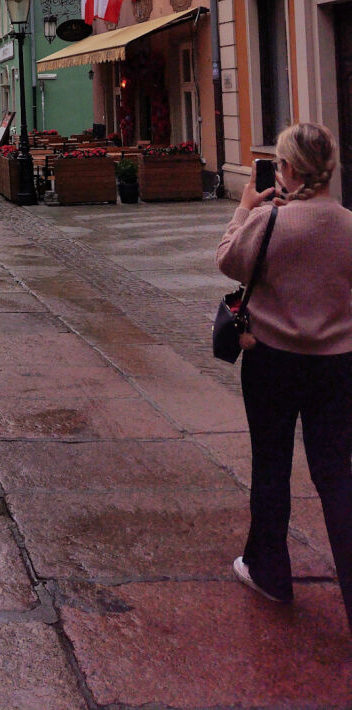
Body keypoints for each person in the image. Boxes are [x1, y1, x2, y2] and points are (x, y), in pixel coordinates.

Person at [215, 122, 352, 631]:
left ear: (287, 170)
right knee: (338, 476)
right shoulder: (348, 225)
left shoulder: (272, 222)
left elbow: (229, 260)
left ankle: (270, 572)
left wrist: (245, 208)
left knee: (271, 465)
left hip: (272, 361)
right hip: (337, 366)